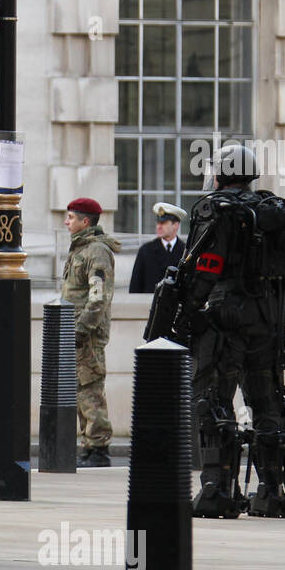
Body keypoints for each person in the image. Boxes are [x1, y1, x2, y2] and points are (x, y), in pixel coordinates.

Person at [167, 143, 285, 519]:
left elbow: (205, 268)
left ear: (221, 174)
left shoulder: (219, 211)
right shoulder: (277, 213)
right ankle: (274, 491)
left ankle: (219, 490)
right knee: (268, 401)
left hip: (224, 321)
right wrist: (277, 309)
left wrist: (190, 310)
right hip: (269, 321)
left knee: (212, 400)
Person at [61, 197, 121, 468]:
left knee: (90, 387)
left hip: (87, 332)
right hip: (76, 329)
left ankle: (98, 448)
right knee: (80, 388)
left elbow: (98, 296)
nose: (66, 222)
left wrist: (82, 328)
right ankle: (89, 446)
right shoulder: (81, 248)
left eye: (71, 217)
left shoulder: (95, 251)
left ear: (86, 221)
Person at [129, 202, 187, 294]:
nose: (159, 227)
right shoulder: (146, 251)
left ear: (176, 225)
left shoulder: (186, 252)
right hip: (149, 305)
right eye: (158, 223)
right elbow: (135, 286)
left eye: (163, 223)